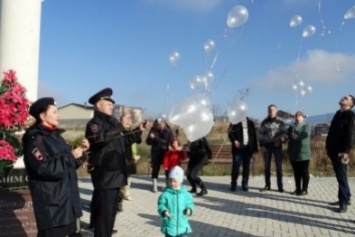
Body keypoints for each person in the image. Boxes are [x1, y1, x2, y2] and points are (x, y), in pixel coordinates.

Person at [22, 97, 89, 237]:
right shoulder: (36, 140)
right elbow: (45, 168)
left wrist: (81, 154)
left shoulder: (56, 137)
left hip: (67, 203)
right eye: (54, 112)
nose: (58, 116)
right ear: (42, 116)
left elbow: (66, 166)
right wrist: (70, 157)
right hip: (52, 208)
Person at [85, 88, 145, 236]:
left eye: (112, 104)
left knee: (110, 215)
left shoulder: (112, 123)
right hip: (105, 176)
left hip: (116, 175)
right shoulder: (95, 123)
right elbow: (99, 140)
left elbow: (125, 141)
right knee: (104, 218)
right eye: (108, 103)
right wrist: (120, 127)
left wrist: (138, 130)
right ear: (98, 105)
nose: (112, 106)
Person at [326, 95, 355, 213]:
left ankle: (343, 203)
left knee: (341, 176)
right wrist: (327, 146)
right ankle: (346, 197)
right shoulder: (338, 114)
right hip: (333, 149)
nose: (343, 98)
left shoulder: (351, 116)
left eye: (346, 98)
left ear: (350, 104)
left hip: (341, 151)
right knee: (340, 175)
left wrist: (346, 151)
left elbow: (351, 135)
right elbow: (332, 131)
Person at [157, 166, 194, 237]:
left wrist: (189, 209)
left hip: (182, 224)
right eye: (170, 181)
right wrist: (164, 211)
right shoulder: (165, 194)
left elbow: (190, 203)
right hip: (170, 224)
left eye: (175, 181)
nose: (172, 183)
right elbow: (161, 204)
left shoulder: (186, 194)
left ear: (180, 181)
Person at [259, 104, 287, 192]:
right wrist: (262, 145)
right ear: (267, 111)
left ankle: (280, 186)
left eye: (273, 110)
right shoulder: (264, 122)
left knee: (279, 168)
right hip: (267, 147)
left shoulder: (280, 122)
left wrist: (281, 141)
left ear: (276, 111)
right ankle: (267, 185)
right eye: (270, 110)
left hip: (277, 147)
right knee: (267, 167)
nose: (271, 111)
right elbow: (260, 135)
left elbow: (284, 134)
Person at [117, 112, 142, 212]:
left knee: (127, 178)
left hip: (129, 157)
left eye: (130, 119)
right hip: (119, 159)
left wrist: (135, 130)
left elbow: (138, 140)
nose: (129, 121)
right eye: (126, 118)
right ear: (121, 119)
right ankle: (119, 201)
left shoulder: (129, 131)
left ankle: (122, 198)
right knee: (119, 182)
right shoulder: (118, 130)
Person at [228, 116, 258, 192]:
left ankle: (245, 184)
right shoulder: (235, 121)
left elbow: (254, 136)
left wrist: (255, 148)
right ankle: (233, 184)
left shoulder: (250, 123)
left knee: (246, 168)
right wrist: (234, 140)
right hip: (238, 149)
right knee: (236, 167)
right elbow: (230, 132)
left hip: (248, 149)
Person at [146, 118, 174, 192]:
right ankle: (154, 185)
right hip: (155, 152)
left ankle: (168, 184)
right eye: (158, 125)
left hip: (165, 152)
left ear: (164, 123)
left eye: (161, 124)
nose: (160, 126)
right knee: (155, 168)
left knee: (167, 169)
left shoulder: (168, 131)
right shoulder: (153, 130)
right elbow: (148, 142)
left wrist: (155, 138)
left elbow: (167, 142)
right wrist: (150, 138)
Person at [287, 111, 311, 196]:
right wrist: (284, 138)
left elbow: (305, 134)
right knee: (296, 172)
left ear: (303, 117)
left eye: (299, 115)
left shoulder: (306, 125)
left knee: (304, 172)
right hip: (293, 152)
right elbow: (287, 135)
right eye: (296, 115)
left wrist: (297, 136)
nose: (297, 117)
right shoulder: (291, 126)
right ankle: (298, 189)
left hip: (303, 152)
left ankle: (305, 189)